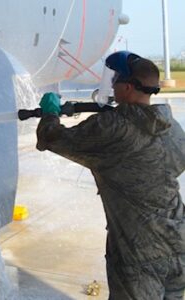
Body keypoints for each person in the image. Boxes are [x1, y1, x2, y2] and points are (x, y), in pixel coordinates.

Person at [36, 51, 185, 299]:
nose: (112, 85)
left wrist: (50, 113)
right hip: (179, 242)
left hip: (138, 256)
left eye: (115, 81)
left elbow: (51, 138)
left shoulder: (112, 127)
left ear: (127, 87)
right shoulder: (171, 126)